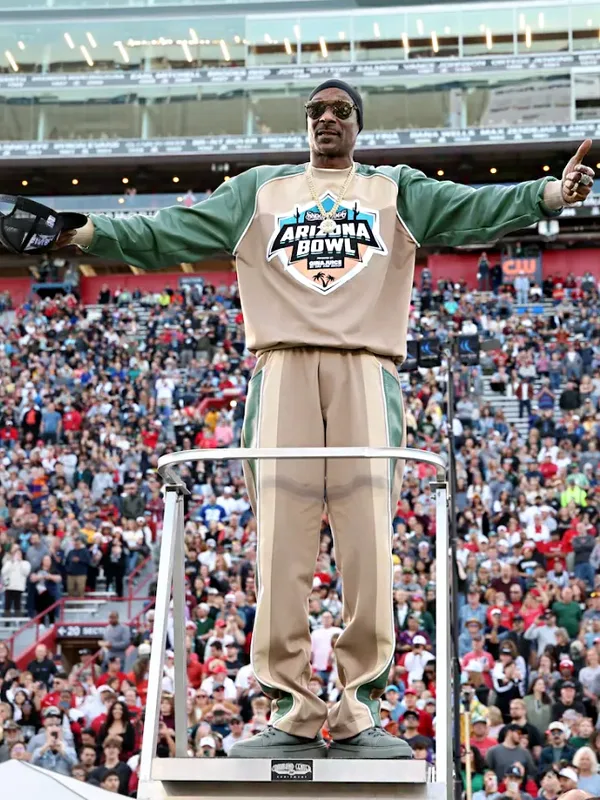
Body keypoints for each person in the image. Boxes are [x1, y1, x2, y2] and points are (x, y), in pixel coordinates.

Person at [57, 78, 595, 759]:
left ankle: (358, 708)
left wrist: (550, 193)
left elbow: (475, 208)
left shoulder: (395, 188)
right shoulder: (259, 191)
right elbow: (168, 232)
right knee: (281, 545)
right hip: (279, 367)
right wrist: (87, 230)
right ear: (304, 124)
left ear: (358, 125)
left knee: (369, 544)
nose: (327, 120)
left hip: (368, 367)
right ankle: (290, 706)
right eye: (316, 112)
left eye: (341, 111)